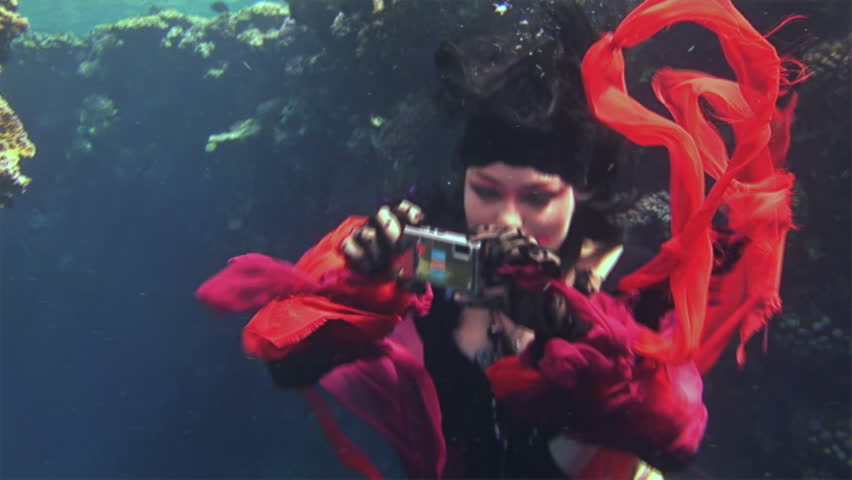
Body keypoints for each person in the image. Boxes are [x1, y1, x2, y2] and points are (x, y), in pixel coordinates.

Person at [196, 0, 803, 478]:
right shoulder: (430, 247)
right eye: (485, 190)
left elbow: (675, 439)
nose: (506, 222)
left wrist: (576, 326)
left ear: (578, 194)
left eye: (537, 198)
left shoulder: (623, 273)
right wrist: (356, 286)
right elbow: (288, 364)